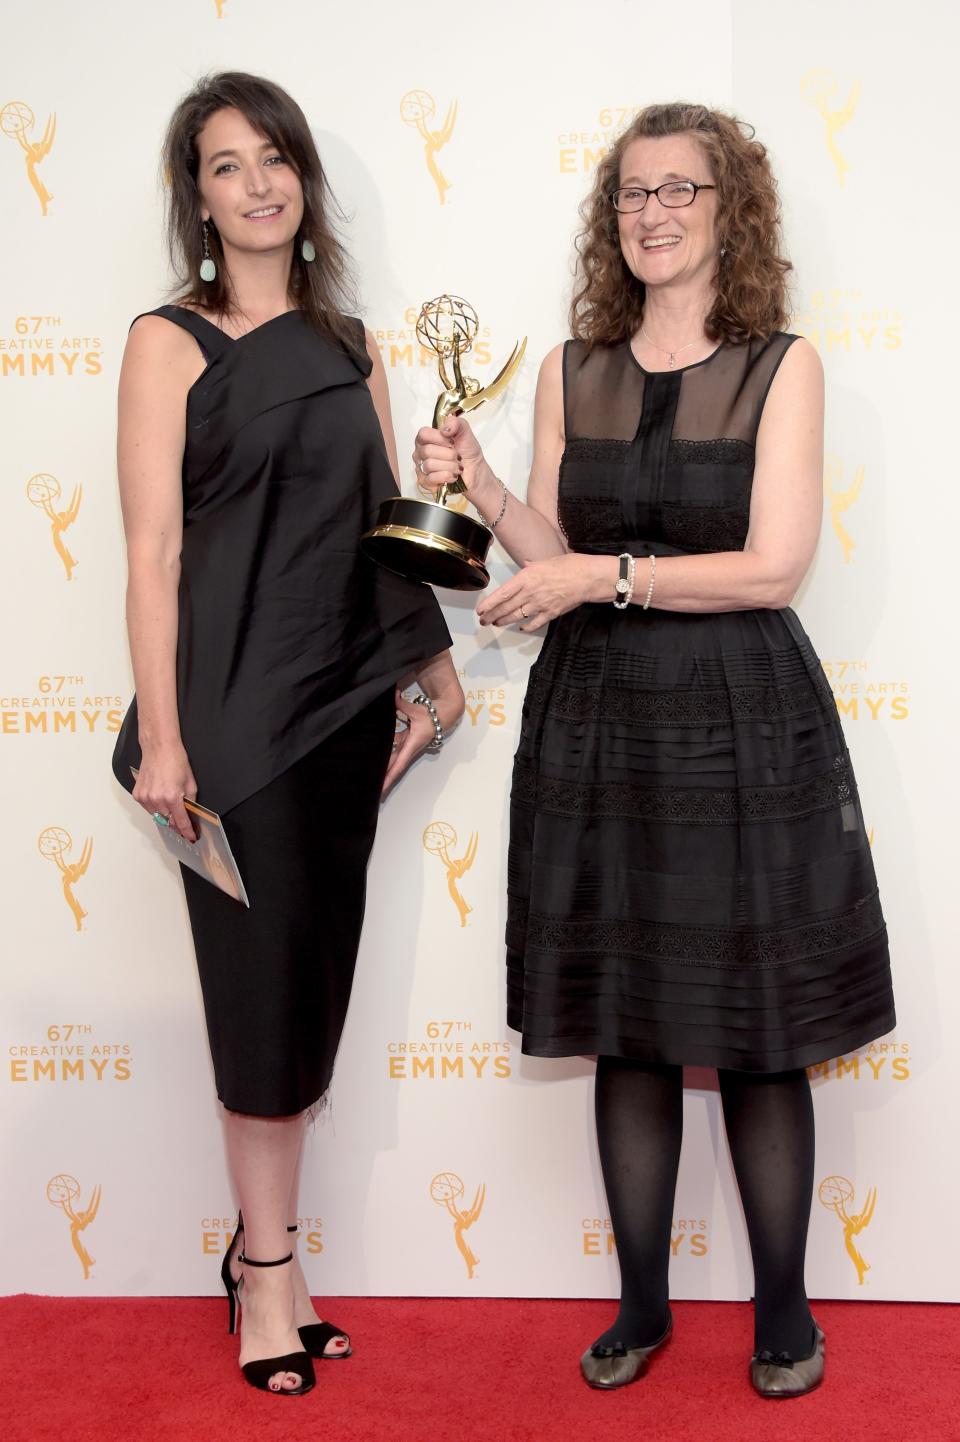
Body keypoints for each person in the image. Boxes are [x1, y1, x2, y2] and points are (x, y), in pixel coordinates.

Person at [414, 102, 894, 1399]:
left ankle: (786, 1310)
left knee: (757, 1031)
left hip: (739, 719)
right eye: (631, 193)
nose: (653, 212)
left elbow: (773, 564)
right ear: (609, 215)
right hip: (599, 725)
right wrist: (479, 484)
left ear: (728, 208)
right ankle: (640, 1303)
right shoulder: (573, 367)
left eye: (679, 190)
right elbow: (543, 543)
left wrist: (599, 575)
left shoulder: (779, 365)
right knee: (624, 1025)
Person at [112, 71, 463, 1397]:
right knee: (258, 1003)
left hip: (340, 711)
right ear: (194, 198)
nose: (256, 182)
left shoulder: (354, 343)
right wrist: (162, 736)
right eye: (224, 164)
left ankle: (280, 1257)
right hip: (227, 725)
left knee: (308, 992)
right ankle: (262, 1273)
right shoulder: (168, 341)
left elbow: (381, 529)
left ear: (303, 180)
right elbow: (151, 554)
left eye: (275, 158)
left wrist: (432, 674)